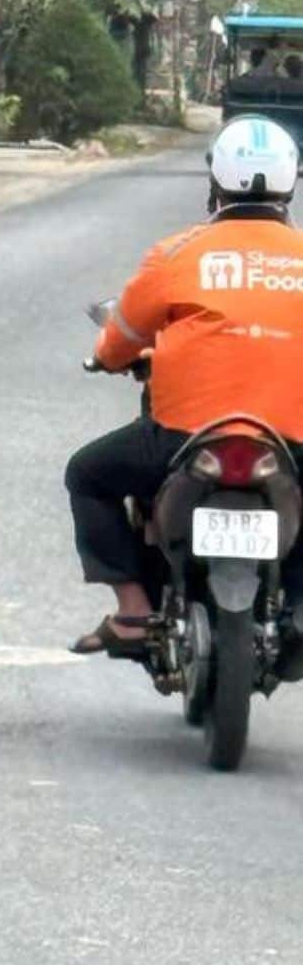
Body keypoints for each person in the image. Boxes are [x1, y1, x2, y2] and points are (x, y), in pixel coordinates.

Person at [67, 115, 303, 660]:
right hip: (290, 442)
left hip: (186, 438)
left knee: (87, 474)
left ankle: (131, 613)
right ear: (290, 181)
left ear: (216, 181)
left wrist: (103, 358)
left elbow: (119, 339)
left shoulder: (177, 254)